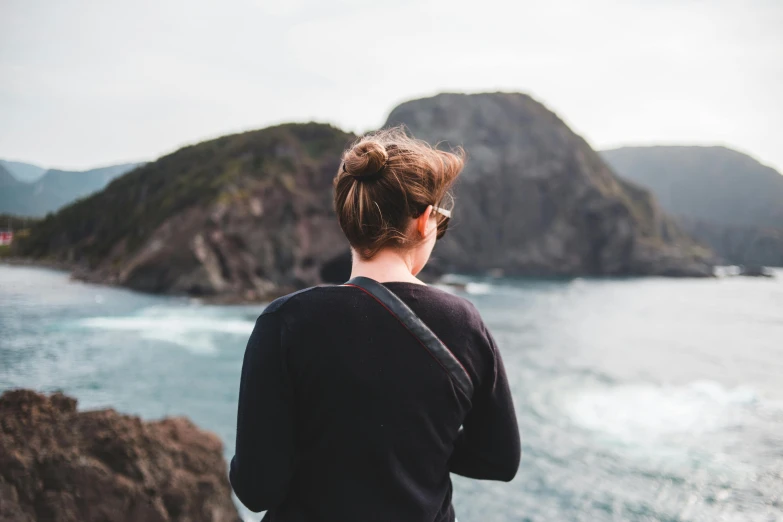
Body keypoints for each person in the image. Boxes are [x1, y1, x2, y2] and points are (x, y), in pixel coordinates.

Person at [230, 127, 521, 522]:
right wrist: (420, 442)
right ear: (423, 221)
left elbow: (256, 488)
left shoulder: (285, 322)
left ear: (349, 221)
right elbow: (500, 460)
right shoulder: (464, 324)